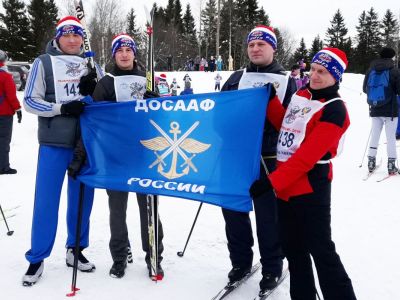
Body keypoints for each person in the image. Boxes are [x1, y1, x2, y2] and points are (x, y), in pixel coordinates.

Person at [250, 47, 357, 300]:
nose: (315, 76)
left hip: (311, 188)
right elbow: (286, 127)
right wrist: (271, 101)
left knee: (321, 251)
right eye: (313, 70)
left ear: (336, 76)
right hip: (286, 190)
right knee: (294, 251)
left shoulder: (335, 109)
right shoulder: (302, 94)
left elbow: (306, 157)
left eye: (322, 72)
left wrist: (270, 182)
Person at [77, 33, 165, 279]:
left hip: (145, 153)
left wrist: (155, 102)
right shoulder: (106, 82)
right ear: (114, 55)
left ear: (134, 53)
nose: (125, 54)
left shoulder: (148, 80)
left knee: (148, 208)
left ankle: (154, 255)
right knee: (117, 209)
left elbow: (162, 116)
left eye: (129, 50)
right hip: (114, 155)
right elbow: (93, 117)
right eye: (120, 51)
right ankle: (119, 256)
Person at [22, 16, 101, 286]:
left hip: (85, 144)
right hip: (54, 142)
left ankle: (75, 249)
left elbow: (104, 103)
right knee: (46, 201)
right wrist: (61, 108)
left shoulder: (91, 64)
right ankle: (37, 257)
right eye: (66, 35)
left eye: (76, 35)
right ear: (58, 37)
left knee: (81, 200)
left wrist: (94, 92)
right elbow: (30, 100)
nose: (72, 39)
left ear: (82, 38)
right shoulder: (42, 63)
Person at [220, 25, 297, 294]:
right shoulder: (236, 77)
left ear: (273, 48)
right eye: (251, 45)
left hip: (269, 156)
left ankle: (272, 267)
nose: (255, 49)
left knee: (269, 217)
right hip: (236, 156)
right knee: (234, 212)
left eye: (261, 44)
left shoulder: (287, 81)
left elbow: (293, 123)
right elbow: (220, 113)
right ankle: (240, 262)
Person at [363, 47, 400, 174]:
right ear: (392, 57)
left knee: (375, 135)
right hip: (391, 111)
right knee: (390, 137)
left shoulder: (370, 70)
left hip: (375, 108)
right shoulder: (395, 71)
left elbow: (364, 89)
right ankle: (391, 165)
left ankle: (371, 161)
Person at [0, 49, 22, 175]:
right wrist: (17, 109)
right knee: (3, 140)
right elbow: (11, 96)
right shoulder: (5, 76)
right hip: (3, 113)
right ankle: (3, 167)